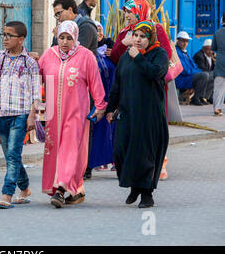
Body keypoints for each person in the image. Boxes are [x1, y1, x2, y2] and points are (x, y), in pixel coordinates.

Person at [39, 20, 106, 208]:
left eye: (69, 38)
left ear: (75, 37)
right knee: (55, 151)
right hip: (52, 114)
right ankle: (77, 189)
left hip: (76, 112)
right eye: (61, 37)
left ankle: (60, 189)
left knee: (70, 150)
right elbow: (36, 77)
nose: (65, 42)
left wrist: (100, 106)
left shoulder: (85, 56)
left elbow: (95, 83)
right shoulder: (49, 55)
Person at [106, 20, 169, 208]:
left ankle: (146, 193)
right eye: (136, 36)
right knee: (121, 150)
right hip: (127, 112)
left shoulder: (159, 54)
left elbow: (156, 73)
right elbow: (117, 84)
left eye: (143, 36)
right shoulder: (126, 56)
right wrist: (110, 108)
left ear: (150, 38)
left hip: (149, 114)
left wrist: (139, 58)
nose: (139, 40)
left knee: (144, 153)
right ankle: (134, 186)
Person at [0, 21, 41, 209]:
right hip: (3, 113)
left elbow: (36, 91)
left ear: (21, 39)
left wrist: (31, 115)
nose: (5, 39)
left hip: (21, 114)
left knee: (13, 154)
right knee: (10, 156)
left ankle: (7, 194)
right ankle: (25, 188)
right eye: (3, 34)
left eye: (9, 36)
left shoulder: (29, 62)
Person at [87, 21, 116, 173]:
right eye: (95, 30)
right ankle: (92, 164)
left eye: (100, 30)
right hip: (94, 100)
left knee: (111, 130)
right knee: (95, 132)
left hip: (110, 98)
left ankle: (114, 160)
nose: (98, 34)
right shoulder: (89, 53)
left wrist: (116, 53)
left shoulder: (109, 50)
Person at [109, 0, 172, 66]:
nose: (126, 15)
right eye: (125, 12)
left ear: (140, 11)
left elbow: (167, 55)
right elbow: (114, 59)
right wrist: (123, 43)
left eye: (129, 12)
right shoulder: (124, 32)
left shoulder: (155, 29)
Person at [174, 31, 212, 106]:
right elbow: (184, 70)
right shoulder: (176, 52)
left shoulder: (185, 53)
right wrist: (196, 72)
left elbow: (194, 66)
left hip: (189, 76)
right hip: (182, 78)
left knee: (212, 75)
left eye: (187, 41)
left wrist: (197, 71)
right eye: (183, 41)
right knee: (204, 75)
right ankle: (196, 97)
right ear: (178, 41)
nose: (185, 44)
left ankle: (204, 97)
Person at [193, 39, 215, 104]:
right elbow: (202, 68)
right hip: (199, 75)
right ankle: (200, 96)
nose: (211, 52)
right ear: (203, 49)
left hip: (206, 74)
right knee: (211, 75)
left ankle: (207, 97)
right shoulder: (199, 56)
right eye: (209, 49)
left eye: (212, 50)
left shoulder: (211, 56)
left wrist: (216, 61)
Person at [212, 13, 225, 116]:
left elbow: (214, 48)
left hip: (220, 61)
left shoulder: (217, 33)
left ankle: (217, 108)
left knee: (219, 87)